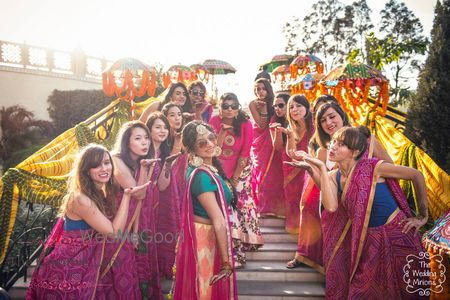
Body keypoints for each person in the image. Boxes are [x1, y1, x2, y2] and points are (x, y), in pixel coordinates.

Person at [289, 126, 429, 299]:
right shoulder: (334, 176)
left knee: (408, 291)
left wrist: (422, 216)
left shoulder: (373, 167)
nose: (332, 146)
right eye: (333, 142)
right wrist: (316, 168)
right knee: (362, 292)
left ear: (354, 152)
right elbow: (331, 206)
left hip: (398, 236)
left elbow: (416, 175)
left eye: (340, 144)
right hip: (369, 242)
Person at [27, 144, 149, 299]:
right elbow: (113, 233)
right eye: (96, 165)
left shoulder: (98, 192)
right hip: (70, 270)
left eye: (106, 162)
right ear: (86, 170)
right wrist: (126, 197)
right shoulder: (81, 199)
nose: (104, 168)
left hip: (86, 265)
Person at [172, 121, 237, 300]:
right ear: (192, 148)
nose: (209, 144)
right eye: (202, 143)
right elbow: (218, 219)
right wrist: (226, 262)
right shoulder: (201, 176)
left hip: (211, 236)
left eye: (211, 138)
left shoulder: (209, 169)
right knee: (204, 290)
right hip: (204, 241)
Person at [286, 97, 348, 270]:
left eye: (331, 116)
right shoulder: (320, 143)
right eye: (322, 118)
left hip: (353, 198)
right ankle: (306, 255)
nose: (328, 122)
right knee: (308, 210)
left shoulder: (359, 139)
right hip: (321, 181)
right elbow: (297, 155)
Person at [110, 120, 164, 299]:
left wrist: (136, 231)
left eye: (146, 138)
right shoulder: (116, 161)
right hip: (114, 222)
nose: (145, 142)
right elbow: (138, 194)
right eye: (138, 138)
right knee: (120, 271)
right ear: (127, 142)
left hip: (135, 222)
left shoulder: (142, 161)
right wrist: (144, 168)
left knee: (138, 268)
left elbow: (142, 200)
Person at [209, 92, 264, 267]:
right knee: (225, 210)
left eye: (234, 106)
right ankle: (230, 253)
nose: (230, 110)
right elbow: (212, 151)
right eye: (226, 106)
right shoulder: (214, 122)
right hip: (218, 169)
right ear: (220, 107)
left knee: (236, 206)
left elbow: (245, 153)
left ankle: (240, 251)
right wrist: (222, 134)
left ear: (238, 107)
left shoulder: (245, 123)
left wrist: (234, 180)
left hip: (241, 170)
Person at [276, 94, 314, 234]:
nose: (294, 109)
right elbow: (291, 153)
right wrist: (290, 136)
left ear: (307, 108)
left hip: (311, 171)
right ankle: (296, 231)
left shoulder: (315, 126)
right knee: (294, 199)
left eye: (299, 106)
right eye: (291, 107)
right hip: (294, 168)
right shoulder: (290, 128)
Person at [157, 103, 186, 278]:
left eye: (179, 114)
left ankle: (174, 266)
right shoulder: (161, 139)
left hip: (181, 189)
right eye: (172, 115)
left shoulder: (186, 137)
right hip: (163, 191)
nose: (177, 118)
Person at [249, 78, 284, 216]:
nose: (261, 91)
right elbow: (262, 125)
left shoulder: (274, 103)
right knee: (263, 173)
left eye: (263, 88)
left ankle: (278, 208)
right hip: (261, 141)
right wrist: (263, 108)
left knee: (276, 172)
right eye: (258, 89)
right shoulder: (253, 104)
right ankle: (265, 207)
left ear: (268, 89)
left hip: (275, 138)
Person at [266, 92, 290, 217]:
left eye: (281, 105)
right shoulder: (274, 120)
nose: (277, 109)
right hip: (283, 157)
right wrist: (278, 132)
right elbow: (277, 146)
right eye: (275, 106)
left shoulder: (297, 118)